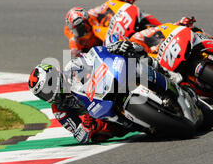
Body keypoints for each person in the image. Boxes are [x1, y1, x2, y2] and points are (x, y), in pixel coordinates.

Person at [28, 42, 183, 144]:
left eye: (47, 89)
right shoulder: (59, 110)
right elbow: (79, 134)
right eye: (43, 95)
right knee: (100, 132)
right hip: (100, 111)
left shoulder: (72, 67)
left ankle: (166, 73)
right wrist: (86, 128)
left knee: (133, 51)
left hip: (107, 84)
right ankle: (141, 125)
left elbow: (93, 56)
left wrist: (113, 49)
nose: (49, 96)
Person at [64, 0, 162, 58]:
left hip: (119, 25)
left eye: (83, 27)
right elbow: (79, 62)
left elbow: (107, 4)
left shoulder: (93, 16)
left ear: (87, 21)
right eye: (78, 30)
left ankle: (163, 29)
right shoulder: (75, 43)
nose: (82, 32)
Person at [129, 16, 213, 55]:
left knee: (192, 29)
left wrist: (179, 24)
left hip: (171, 44)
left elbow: (164, 28)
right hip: (162, 64)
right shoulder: (132, 44)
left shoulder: (139, 35)